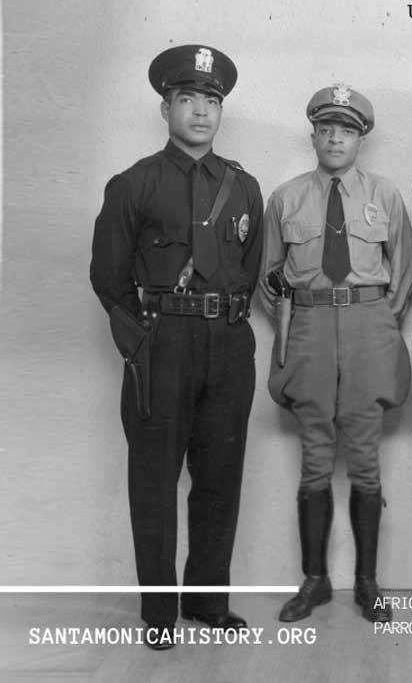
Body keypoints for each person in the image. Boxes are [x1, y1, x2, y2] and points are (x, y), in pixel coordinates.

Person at [90, 44, 263, 650]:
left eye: (211, 100)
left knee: (220, 477)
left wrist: (223, 322)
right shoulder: (134, 184)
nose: (200, 111)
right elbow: (108, 278)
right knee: (155, 481)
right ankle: (160, 614)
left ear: (222, 110)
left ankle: (208, 603)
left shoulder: (244, 187)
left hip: (229, 344)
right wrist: (141, 345)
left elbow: (249, 267)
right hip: (162, 344)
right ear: (165, 108)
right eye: (187, 98)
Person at [259, 85, 412, 625]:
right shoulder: (286, 198)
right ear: (313, 136)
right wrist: (298, 320)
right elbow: (268, 277)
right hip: (308, 327)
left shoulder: (384, 195)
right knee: (314, 457)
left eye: (346, 130)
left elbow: (406, 272)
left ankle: (368, 583)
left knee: (366, 458)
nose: (335, 139)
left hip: (368, 326)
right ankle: (315, 581)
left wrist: (377, 320)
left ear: (360, 140)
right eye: (326, 129)